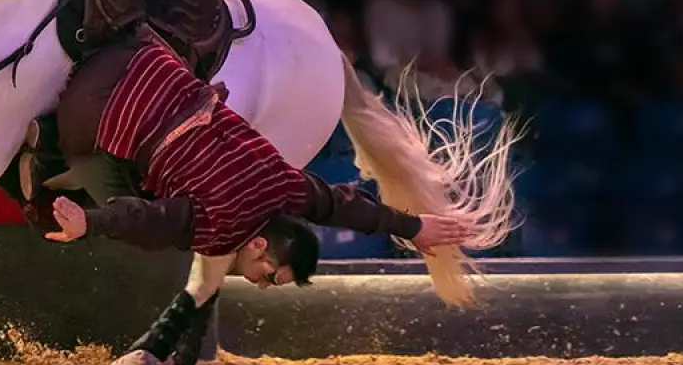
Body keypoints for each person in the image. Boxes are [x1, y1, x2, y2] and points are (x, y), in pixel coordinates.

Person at [35, 25, 476, 275]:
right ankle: (42, 160)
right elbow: (148, 217)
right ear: (259, 246)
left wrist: (413, 226)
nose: (262, 285)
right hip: (89, 108)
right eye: (271, 277)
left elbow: (342, 205)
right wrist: (89, 224)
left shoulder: (283, 183)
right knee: (135, 218)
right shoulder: (218, 234)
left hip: (137, 49)